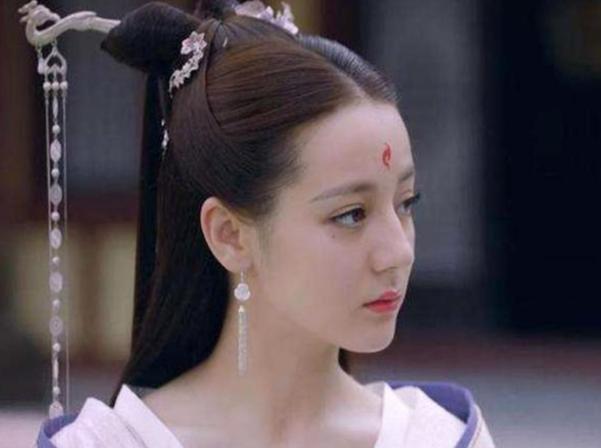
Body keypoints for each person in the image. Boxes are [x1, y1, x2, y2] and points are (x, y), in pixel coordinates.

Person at [35, 1, 495, 447]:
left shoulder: (439, 437)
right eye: (351, 215)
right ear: (230, 234)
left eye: (406, 203)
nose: (398, 252)